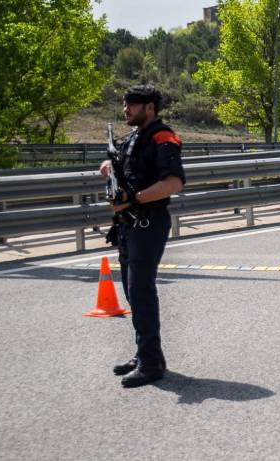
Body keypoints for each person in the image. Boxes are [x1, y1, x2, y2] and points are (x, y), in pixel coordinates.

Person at [99, 85, 185, 388]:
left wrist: (133, 199)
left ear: (149, 107)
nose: (126, 110)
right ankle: (146, 353)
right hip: (127, 224)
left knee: (141, 291)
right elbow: (125, 173)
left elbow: (173, 183)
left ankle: (151, 364)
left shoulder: (163, 137)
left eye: (132, 105)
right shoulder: (133, 138)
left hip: (148, 222)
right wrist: (109, 169)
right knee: (132, 291)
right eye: (124, 104)